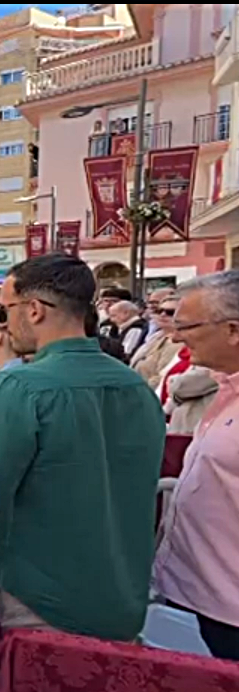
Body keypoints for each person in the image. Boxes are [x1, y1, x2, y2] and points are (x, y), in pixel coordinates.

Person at [0, 254, 165, 642]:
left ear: (33, 310)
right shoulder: (135, 387)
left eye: (4, 308)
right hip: (123, 595)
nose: (3, 320)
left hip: (42, 596)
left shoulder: (21, 387)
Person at [154, 270, 239, 660]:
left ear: (233, 330)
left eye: (185, 325)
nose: (175, 336)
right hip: (199, 600)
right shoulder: (225, 389)